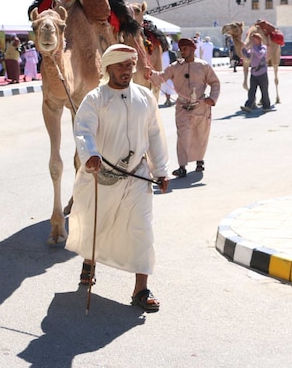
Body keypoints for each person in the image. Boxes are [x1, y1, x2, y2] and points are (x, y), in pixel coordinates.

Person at [66, 43, 170, 313]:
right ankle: (90, 260)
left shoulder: (145, 97)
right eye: (122, 65)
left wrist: (160, 170)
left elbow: (155, 134)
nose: (128, 70)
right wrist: (89, 154)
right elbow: (84, 130)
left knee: (141, 229)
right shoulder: (95, 98)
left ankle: (141, 289)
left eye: (130, 65)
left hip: (137, 176)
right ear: (108, 67)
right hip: (102, 176)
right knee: (95, 223)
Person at [147, 38, 220, 178]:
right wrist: (150, 73)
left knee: (200, 134)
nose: (182, 52)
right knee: (183, 137)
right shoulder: (175, 67)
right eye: (181, 49)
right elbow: (161, 77)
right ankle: (182, 167)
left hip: (201, 107)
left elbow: (215, 83)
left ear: (192, 50)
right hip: (182, 107)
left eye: (185, 49)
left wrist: (212, 98)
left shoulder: (203, 66)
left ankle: (200, 161)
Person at [240, 32, 272, 113]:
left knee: (264, 90)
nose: (253, 41)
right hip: (254, 72)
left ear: (259, 40)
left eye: (254, 39)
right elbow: (248, 56)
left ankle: (266, 106)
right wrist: (243, 49)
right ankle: (249, 106)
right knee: (252, 91)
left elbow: (260, 54)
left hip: (262, 72)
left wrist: (254, 48)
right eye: (252, 40)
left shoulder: (263, 48)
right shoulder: (253, 48)